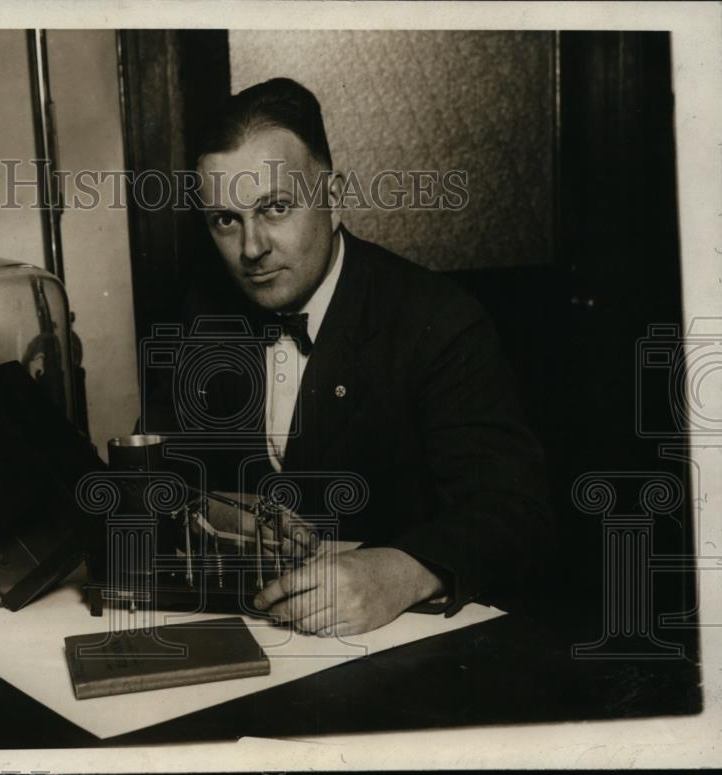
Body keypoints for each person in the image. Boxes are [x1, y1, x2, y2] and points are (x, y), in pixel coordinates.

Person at [139, 77, 553, 637]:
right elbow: (156, 475)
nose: (252, 248)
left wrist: (402, 573)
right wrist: (222, 515)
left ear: (334, 198)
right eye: (226, 220)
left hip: (403, 642)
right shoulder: (203, 313)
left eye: (276, 208)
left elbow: (514, 510)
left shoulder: (439, 319)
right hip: (263, 634)